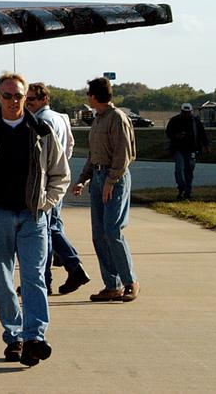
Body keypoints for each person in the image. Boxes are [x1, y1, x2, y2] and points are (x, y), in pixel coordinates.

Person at [0, 73, 69, 366]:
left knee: (34, 277)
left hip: (33, 217)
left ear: (26, 97)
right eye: (6, 96)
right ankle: (14, 337)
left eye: (18, 96)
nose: (13, 101)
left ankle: (34, 338)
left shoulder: (42, 131)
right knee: (4, 282)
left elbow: (60, 173)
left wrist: (47, 203)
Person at [71, 77, 140, 302]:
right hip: (99, 177)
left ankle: (130, 282)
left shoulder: (117, 118)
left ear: (94, 96)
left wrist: (111, 181)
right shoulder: (98, 119)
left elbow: (124, 154)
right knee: (99, 235)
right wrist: (83, 179)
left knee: (113, 231)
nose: (87, 98)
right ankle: (112, 285)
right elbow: (94, 155)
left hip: (115, 179)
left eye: (88, 94)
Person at [25, 82, 90, 296]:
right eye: (26, 99)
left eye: (32, 99)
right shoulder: (61, 118)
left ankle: (73, 268)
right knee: (51, 228)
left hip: (44, 184)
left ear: (44, 99)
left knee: (46, 230)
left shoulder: (40, 121)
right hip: (57, 181)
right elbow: (69, 146)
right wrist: (61, 170)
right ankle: (47, 278)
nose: (27, 103)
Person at [166, 102, 209, 200]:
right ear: (181, 111)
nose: (186, 114)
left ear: (191, 111)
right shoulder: (174, 120)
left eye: (188, 112)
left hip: (191, 149)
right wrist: (176, 135)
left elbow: (202, 134)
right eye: (184, 112)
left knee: (189, 170)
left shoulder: (196, 122)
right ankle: (181, 188)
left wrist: (206, 145)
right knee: (179, 169)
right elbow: (168, 132)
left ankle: (188, 191)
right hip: (178, 149)